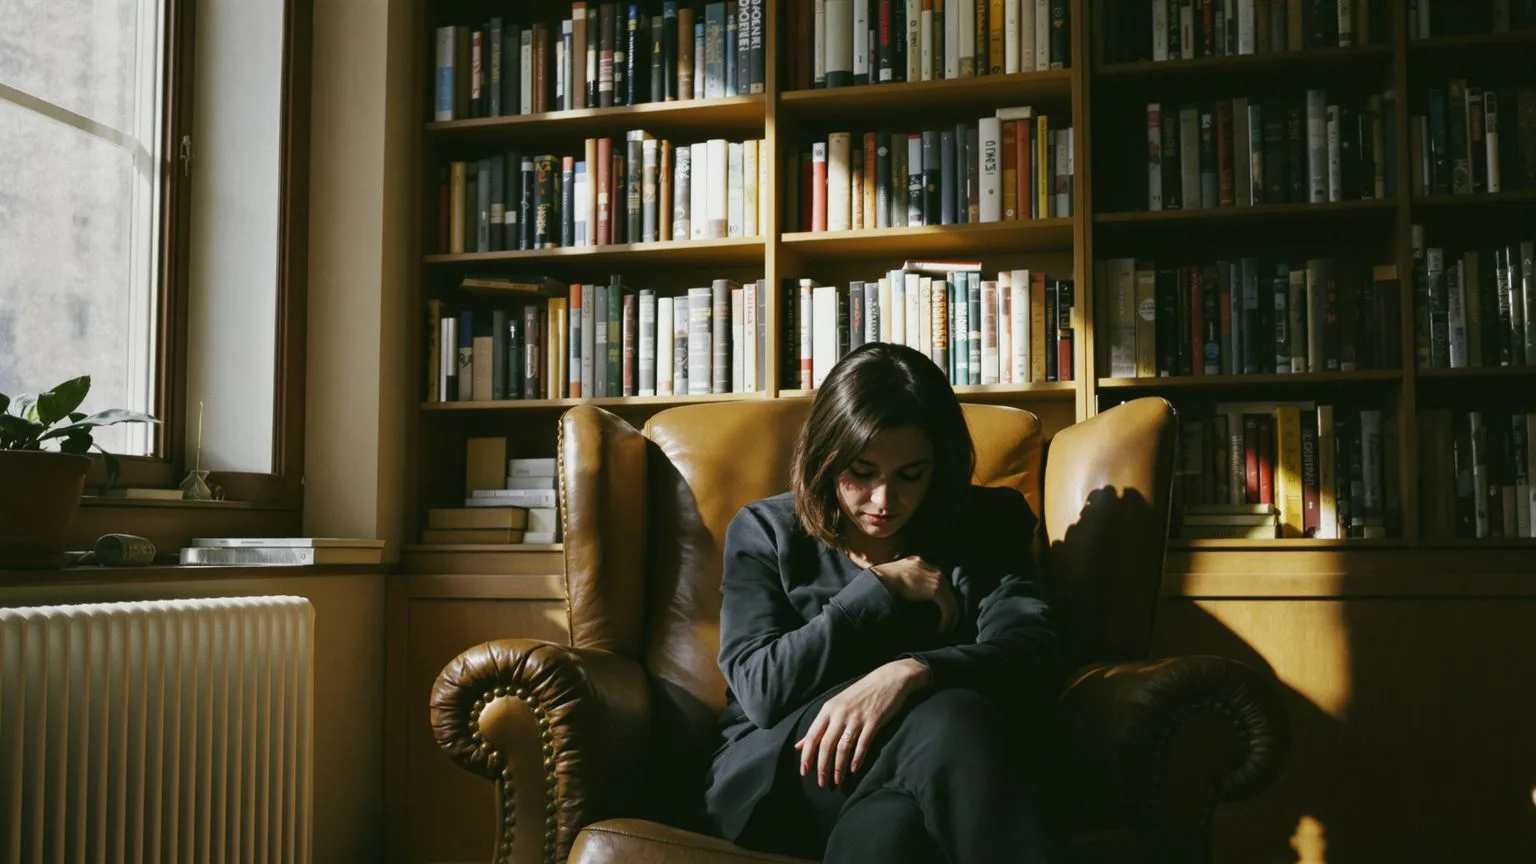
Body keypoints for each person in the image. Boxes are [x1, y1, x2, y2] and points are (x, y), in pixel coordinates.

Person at [703, 341, 1066, 863]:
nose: (883, 500)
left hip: (928, 773)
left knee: (892, 829)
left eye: (910, 475)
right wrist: (879, 590)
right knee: (951, 719)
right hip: (792, 772)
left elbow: (1033, 652)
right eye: (862, 471)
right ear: (825, 456)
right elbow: (761, 689)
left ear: (938, 466)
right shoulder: (766, 530)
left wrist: (912, 671)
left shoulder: (986, 523)